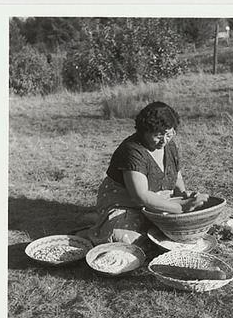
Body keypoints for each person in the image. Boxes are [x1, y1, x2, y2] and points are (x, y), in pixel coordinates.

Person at [87, 101, 209, 246]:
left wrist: (183, 194)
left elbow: (176, 176)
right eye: (158, 135)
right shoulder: (132, 151)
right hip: (126, 204)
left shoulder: (170, 145)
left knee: (197, 223)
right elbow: (140, 196)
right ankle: (97, 226)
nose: (164, 140)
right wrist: (181, 208)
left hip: (158, 199)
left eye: (169, 134)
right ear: (144, 131)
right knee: (126, 238)